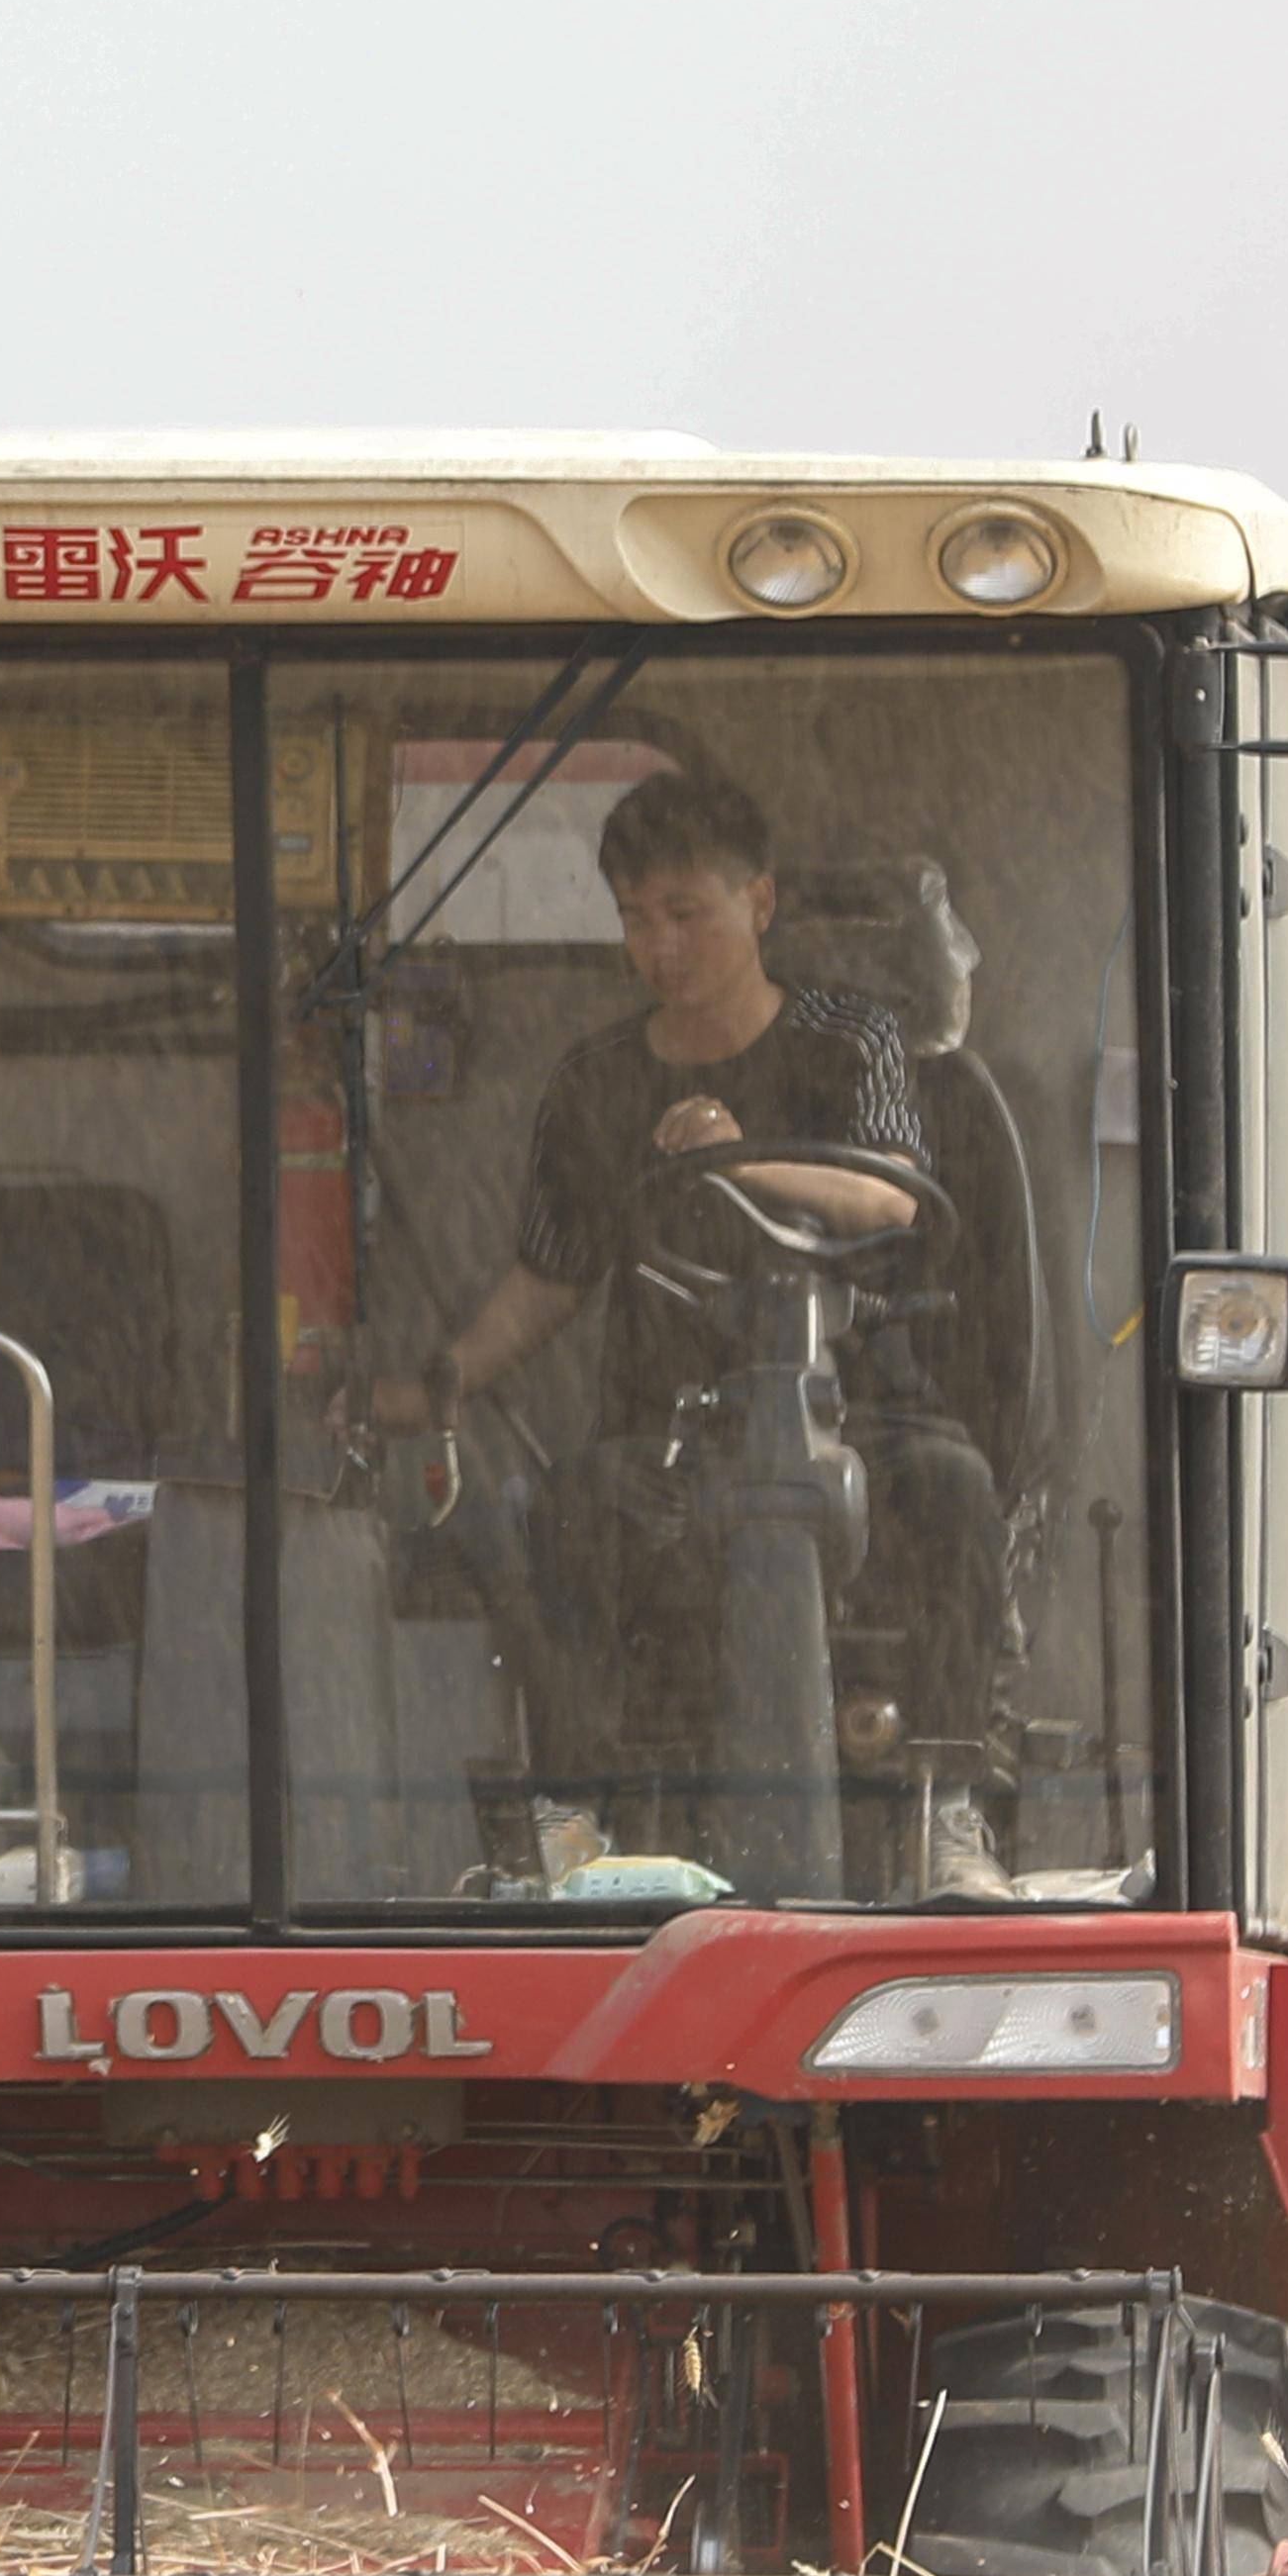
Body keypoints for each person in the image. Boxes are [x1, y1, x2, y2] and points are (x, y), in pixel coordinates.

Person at [358, 763, 996, 1871]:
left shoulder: (853, 1038)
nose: (660, 946)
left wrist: (743, 1156)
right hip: (667, 1436)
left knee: (957, 1491)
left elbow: (891, 1192)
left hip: (860, 1421)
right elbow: (548, 1280)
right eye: (635, 920)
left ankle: (950, 1809)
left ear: (759, 903)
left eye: (686, 914)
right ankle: (574, 1823)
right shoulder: (593, 1084)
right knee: (565, 1513)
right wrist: (434, 1385)